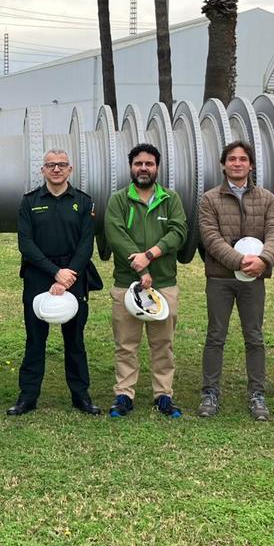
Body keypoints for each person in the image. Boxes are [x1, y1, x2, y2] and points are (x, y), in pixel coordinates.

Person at [197, 140, 274, 421]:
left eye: (242, 159)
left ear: (251, 164)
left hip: (254, 279)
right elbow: (210, 237)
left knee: (254, 336)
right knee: (215, 336)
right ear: (223, 165)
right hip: (220, 279)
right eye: (232, 159)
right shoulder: (210, 199)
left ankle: (257, 395)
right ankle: (210, 393)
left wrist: (263, 260)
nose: (237, 163)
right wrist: (239, 261)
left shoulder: (267, 198)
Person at [10, 148, 101, 416]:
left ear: (70, 169)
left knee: (75, 340)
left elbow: (86, 244)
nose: (57, 169)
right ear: (43, 170)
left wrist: (68, 273)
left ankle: (80, 396)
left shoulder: (83, 202)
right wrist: (54, 273)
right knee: (35, 340)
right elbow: (25, 244)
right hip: (39, 274)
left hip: (75, 275)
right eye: (51, 165)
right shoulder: (29, 201)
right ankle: (28, 397)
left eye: (62, 165)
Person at [103, 142, 188, 418]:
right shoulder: (118, 200)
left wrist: (150, 255)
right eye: (138, 163)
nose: (143, 168)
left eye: (149, 164)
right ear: (131, 167)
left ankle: (163, 395)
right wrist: (140, 270)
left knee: (163, 344)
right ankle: (124, 395)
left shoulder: (170, 199)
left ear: (157, 168)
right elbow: (116, 236)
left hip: (163, 284)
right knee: (126, 344)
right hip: (126, 285)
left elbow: (178, 231)